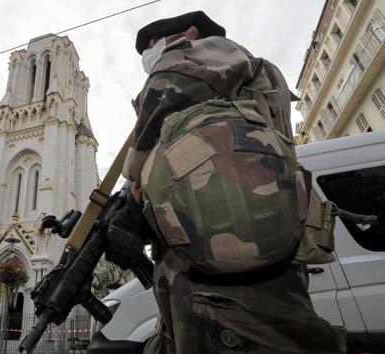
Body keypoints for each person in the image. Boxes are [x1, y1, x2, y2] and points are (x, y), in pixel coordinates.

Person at [105, 11, 346, 353]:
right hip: (264, 248)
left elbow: (160, 107)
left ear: (189, 33)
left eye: (153, 44)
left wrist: (133, 191)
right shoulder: (257, 76)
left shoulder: (206, 50)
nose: (151, 55)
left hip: (218, 254)